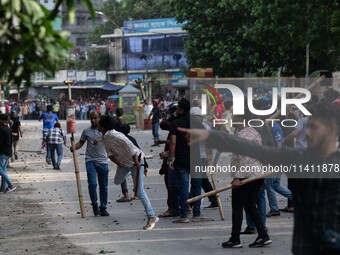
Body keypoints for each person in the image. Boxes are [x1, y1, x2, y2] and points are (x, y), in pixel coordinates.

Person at [179, 102, 340, 254]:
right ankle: (258, 234)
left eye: (314, 128)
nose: (308, 133)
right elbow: (252, 149)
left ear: (332, 129)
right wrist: (210, 136)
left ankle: (250, 235)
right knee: (250, 204)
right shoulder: (298, 158)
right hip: (304, 248)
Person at [98, 115, 159, 230]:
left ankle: (151, 217)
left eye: (99, 123)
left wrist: (136, 162)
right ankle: (133, 173)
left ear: (103, 126)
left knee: (139, 191)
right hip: (126, 163)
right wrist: (118, 162)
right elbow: (110, 154)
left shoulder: (116, 135)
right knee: (117, 181)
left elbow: (131, 147)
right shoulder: (105, 137)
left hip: (136, 161)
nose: (97, 124)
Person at [70, 111, 109, 217]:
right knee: (92, 184)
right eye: (91, 118)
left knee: (104, 187)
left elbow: (111, 138)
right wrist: (74, 147)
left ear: (99, 118)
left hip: (103, 161)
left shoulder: (105, 131)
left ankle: (103, 207)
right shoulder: (86, 131)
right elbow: (81, 143)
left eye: (95, 118)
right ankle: (94, 204)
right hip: (90, 161)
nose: (93, 120)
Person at [0, 114, 16, 193]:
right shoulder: (9, 129)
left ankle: (10, 185)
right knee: (3, 170)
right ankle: (3, 188)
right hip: (8, 152)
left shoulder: (1, 129)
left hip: (3, 152)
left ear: (3, 120)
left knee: (1, 169)